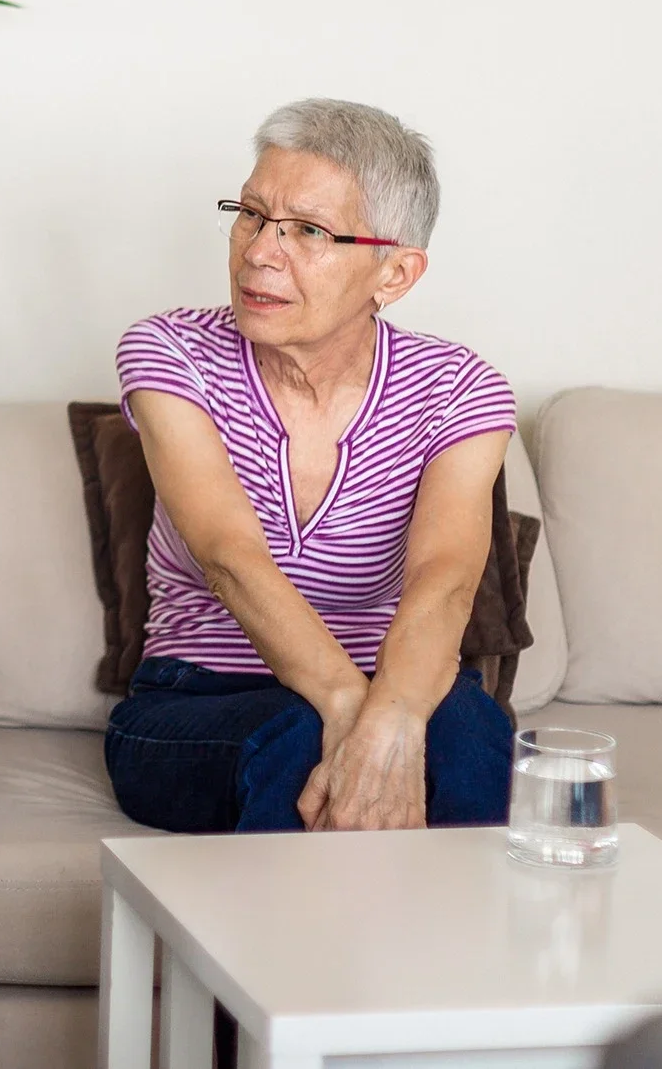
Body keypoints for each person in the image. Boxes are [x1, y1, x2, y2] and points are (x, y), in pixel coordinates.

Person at [104, 98, 517, 835]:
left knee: (470, 744)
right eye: (252, 216)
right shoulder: (169, 353)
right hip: (197, 697)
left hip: (398, 684)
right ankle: (289, 952)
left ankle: (459, 950)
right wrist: (354, 718)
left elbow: (446, 578)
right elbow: (230, 558)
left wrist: (391, 718)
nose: (260, 251)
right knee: (295, 743)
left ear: (394, 273)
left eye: (308, 232)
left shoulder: (458, 387)